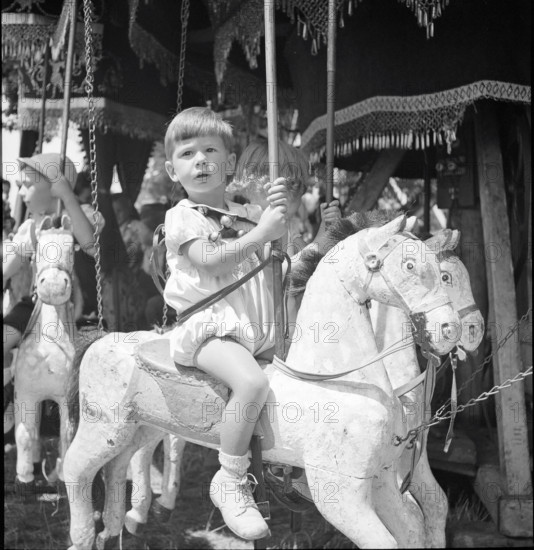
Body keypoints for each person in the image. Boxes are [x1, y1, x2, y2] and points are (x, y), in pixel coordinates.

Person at [163, 107, 288, 540]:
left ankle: (282, 463)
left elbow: (276, 258)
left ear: (229, 164)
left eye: (211, 150)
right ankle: (230, 478)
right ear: (171, 169)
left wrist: (276, 220)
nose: (200, 160)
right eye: (187, 153)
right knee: (252, 384)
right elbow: (210, 262)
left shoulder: (247, 211)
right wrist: (260, 232)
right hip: (208, 327)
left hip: (252, 330)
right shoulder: (183, 216)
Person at [229, 140, 342, 341]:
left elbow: (308, 264)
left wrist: (326, 228)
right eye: (295, 186)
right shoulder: (252, 228)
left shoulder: (287, 229)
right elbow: (287, 272)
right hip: (271, 332)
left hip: (292, 323)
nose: (298, 195)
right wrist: (325, 237)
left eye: (299, 188)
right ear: (267, 188)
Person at [3, 152, 104, 367]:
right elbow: (6, 269)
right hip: (37, 306)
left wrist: (68, 198)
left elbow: (91, 246)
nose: (20, 193)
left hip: (78, 307)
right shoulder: (31, 228)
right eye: (20, 185)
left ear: (55, 187)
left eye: (27, 184)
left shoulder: (79, 215)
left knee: (92, 362)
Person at [229, 139, 341, 257]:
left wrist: (326, 227)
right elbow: (296, 265)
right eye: (300, 188)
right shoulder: (247, 222)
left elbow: (307, 255)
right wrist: (321, 240)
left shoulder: (287, 224)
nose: (301, 194)